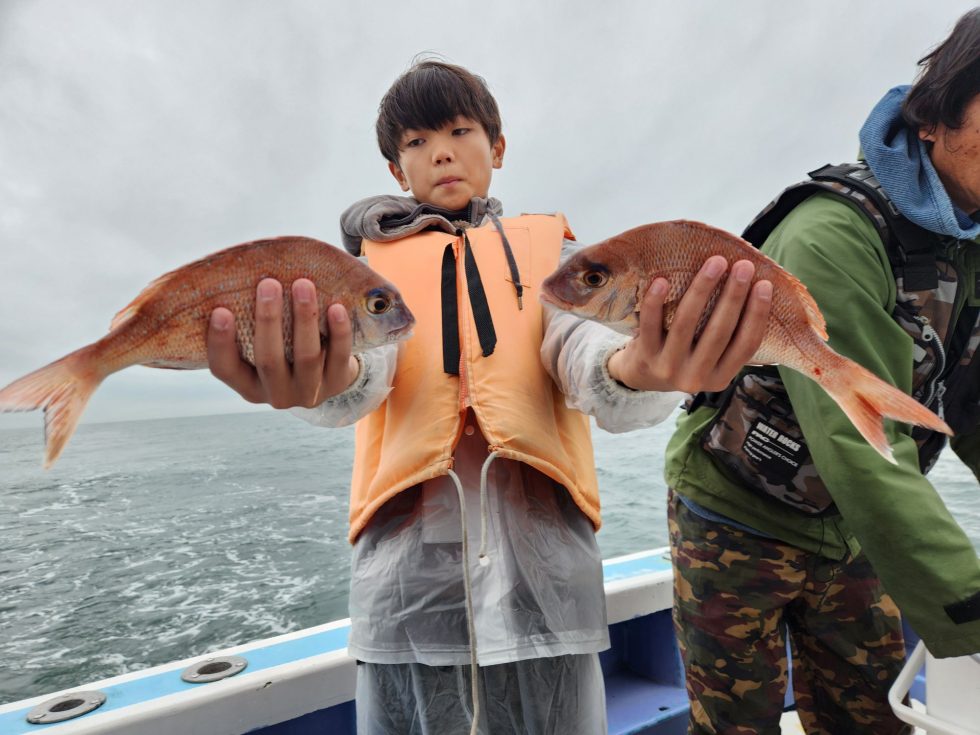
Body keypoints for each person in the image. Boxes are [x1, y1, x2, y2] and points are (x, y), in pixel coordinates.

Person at [207, 60, 771, 733]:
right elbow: (358, 376)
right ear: (396, 170)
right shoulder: (365, 276)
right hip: (408, 597)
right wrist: (319, 378)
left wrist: (639, 365)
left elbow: (583, 352)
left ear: (496, 147)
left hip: (548, 596)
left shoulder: (558, 260)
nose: (439, 150)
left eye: (458, 129)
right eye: (415, 142)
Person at [665, 10, 980, 735]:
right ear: (930, 117)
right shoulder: (832, 234)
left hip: (848, 528)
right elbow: (862, 446)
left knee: (871, 718)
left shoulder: (971, 246)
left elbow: (974, 398)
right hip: (734, 511)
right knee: (733, 722)